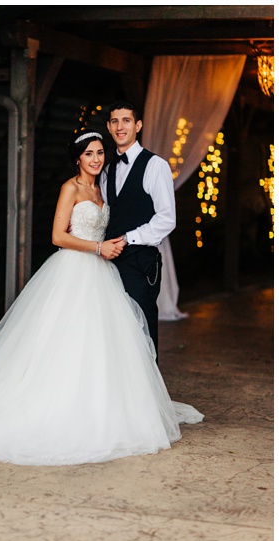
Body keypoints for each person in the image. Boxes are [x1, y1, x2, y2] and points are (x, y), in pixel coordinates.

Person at [0, 130, 202, 466]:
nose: (96, 159)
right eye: (89, 154)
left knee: (102, 343)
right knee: (64, 339)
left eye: (100, 153)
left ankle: (99, 406)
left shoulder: (103, 187)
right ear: (77, 158)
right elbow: (58, 236)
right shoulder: (71, 188)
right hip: (75, 268)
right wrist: (97, 247)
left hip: (102, 273)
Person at [102, 100, 176, 353]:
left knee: (141, 328)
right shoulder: (107, 170)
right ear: (109, 128)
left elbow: (167, 218)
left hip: (141, 260)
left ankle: (145, 392)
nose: (120, 126)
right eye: (115, 121)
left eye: (126, 120)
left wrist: (128, 238)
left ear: (138, 125)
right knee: (113, 329)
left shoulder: (156, 166)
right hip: (108, 263)